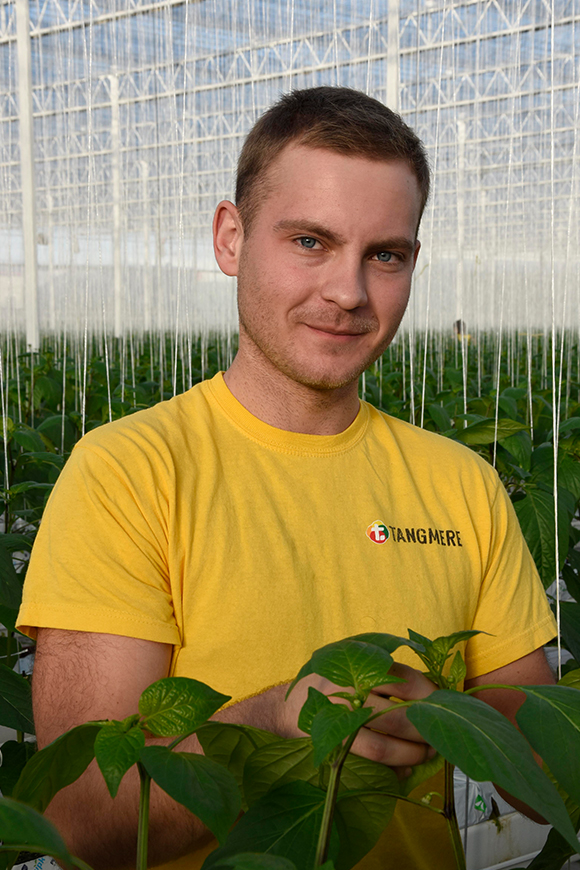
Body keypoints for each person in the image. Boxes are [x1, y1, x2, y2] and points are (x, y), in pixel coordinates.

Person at [17, 87, 556, 870]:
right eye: (310, 241)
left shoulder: (462, 484)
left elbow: (542, 776)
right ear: (230, 239)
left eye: (386, 254)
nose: (348, 292)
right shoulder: (128, 474)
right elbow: (77, 820)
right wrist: (267, 727)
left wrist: (465, 722)